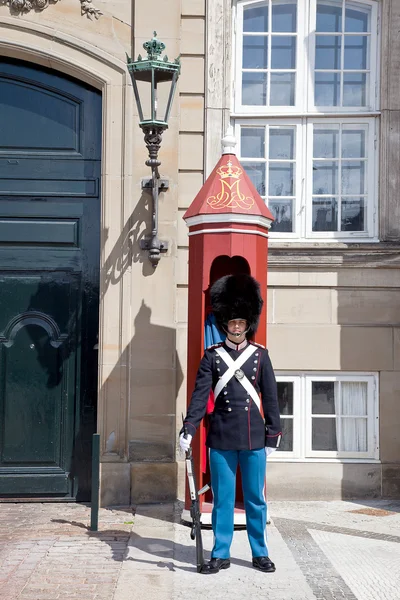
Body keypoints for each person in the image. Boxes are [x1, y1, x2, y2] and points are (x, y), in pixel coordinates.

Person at [180, 273, 282, 575]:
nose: (237, 327)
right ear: (224, 324)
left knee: (255, 499)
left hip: (253, 438)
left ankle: (259, 552)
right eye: (232, 323)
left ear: (248, 323)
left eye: (241, 322)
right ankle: (220, 552)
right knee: (223, 500)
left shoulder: (260, 356)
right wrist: (188, 427)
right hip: (222, 438)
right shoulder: (212, 357)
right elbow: (200, 397)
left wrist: (273, 435)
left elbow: (272, 398)